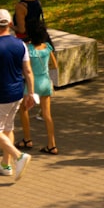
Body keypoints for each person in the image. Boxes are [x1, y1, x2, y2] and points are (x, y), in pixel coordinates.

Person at [0, 8, 36, 181]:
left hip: (0, 95)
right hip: (17, 93)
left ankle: (19, 156)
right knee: (7, 127)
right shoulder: (21, 45)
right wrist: (30, 93)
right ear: (10, 24)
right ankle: (5, 164)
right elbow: (28, 71)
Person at [11, 0, 51, 146]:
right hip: (40, 41)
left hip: (26, 44)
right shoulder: (37, 1)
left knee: (24, 94)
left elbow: (21, 28)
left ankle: (27, 138)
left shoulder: (20, 6)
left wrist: (8, 25)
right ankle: (50, 139)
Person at [26, 22, 59, 154]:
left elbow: (26, 68)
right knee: (46, 114)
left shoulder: (28, 49)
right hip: (45, 81)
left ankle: (27, 139)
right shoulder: (48, 47)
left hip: (33, 83)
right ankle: (52, 144)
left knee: (24, 109)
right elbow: (55, 65)